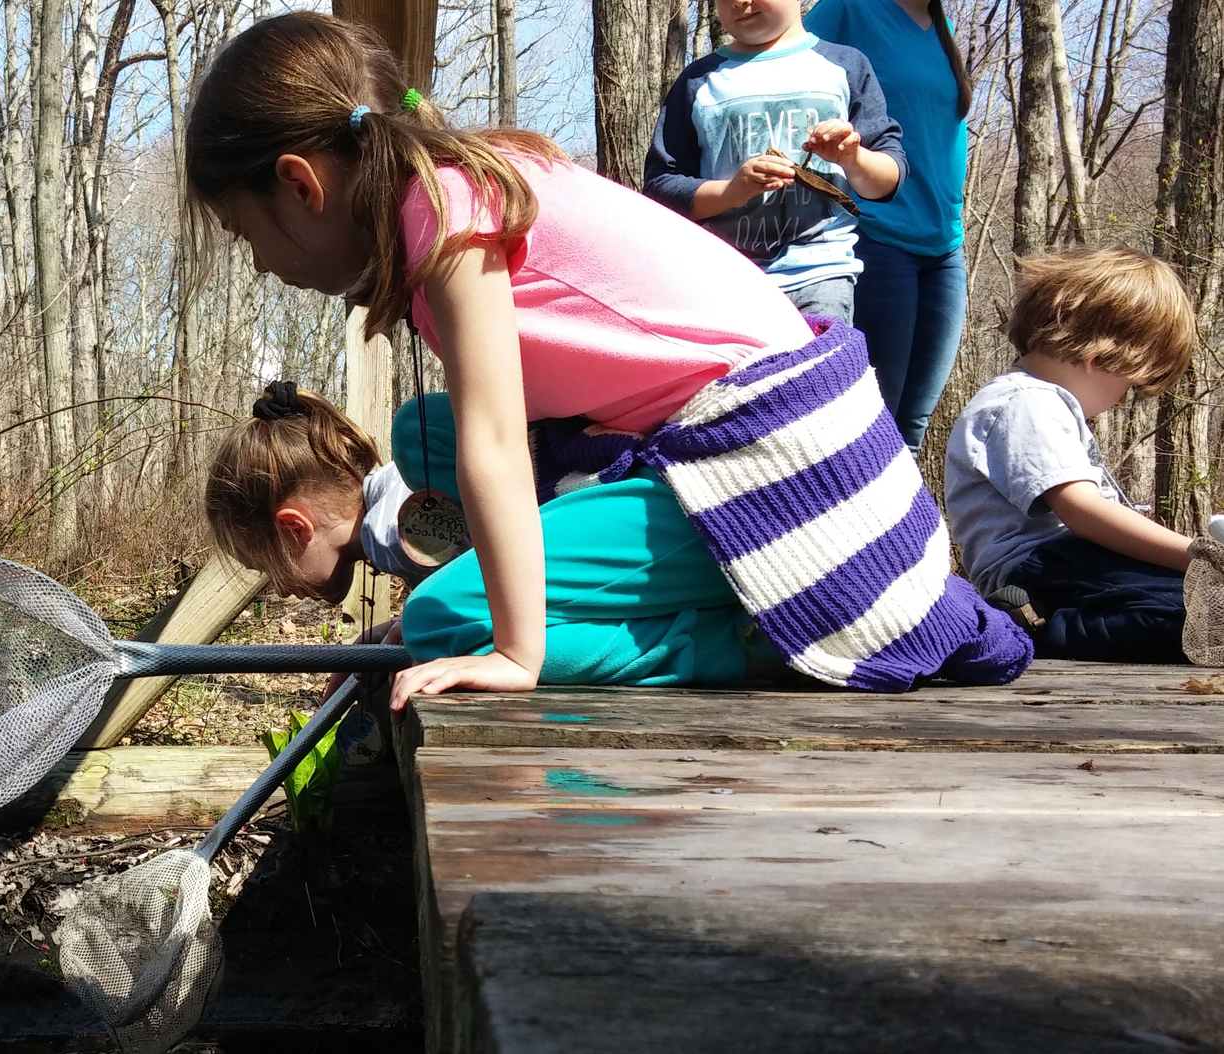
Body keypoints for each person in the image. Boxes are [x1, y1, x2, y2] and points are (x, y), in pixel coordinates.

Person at [187, 12, 1030, 704]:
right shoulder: (452, 185)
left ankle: (745, 634)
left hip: (781, 468)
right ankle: (575, 584)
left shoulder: (442, 211)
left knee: (447, 616)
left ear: (302, 184)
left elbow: (496, 444)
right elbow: (485, 432)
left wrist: (516, 651)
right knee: (420, 435)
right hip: (714, 435)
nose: (258, 259)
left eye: (244, 232)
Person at [207, 384, 761, 688]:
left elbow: (461, 596)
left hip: (692, 528)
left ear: (295, 527)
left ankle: (718, 647)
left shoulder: (400, 510)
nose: (279, 590)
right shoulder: (406, 490)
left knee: (434, 622)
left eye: (269, 567)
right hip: (657, 531)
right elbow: (486, 568)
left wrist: (417, 630)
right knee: (428, 621)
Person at [943, 247, 1202, 663]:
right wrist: (1197, 555)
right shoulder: (1024, 400)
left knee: (1200, 602)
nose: (1121, 402)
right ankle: (1029, 628)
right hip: (1039, 567)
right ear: (1097, 358)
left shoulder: (1037, 400)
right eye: (1130, 385)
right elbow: (1080, 510)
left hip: (1068, 563)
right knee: (1193, 616)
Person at [644, 0, 906, 321]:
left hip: (822, 272)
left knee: (818, 372)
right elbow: (661, 189)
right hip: (725, 282)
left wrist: (853, 158)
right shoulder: (699, 81)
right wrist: (731, 192)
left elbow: (887, 181)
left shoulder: (845, 66)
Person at [805, 0, 972, 451]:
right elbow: (790, 73)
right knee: (872, 420)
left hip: (944, 246)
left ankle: (900, 522)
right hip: (877, 235)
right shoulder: (848, 9)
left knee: (912, 427)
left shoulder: (943, 27)